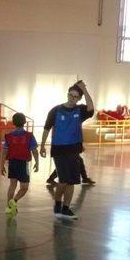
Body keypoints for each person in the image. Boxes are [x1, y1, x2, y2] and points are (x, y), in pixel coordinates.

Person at [39, 80, 94, 220]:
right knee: (63, 180)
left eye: (76, 97)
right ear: (67, 94)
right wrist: (42, 145)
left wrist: (84, 90)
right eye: (70, 95)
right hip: (59, 150)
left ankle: (66, 208)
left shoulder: (80, 110)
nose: (72, 98)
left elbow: (91, 108)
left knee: (72, 181)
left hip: (74, 149)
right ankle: (57, 203)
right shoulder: (56, 110)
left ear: (79, 98)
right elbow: (47, 128)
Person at [1, 112, 39, 217]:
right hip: (23, 163)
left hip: (12, 163)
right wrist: (37, 162)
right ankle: (14, 201)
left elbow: (4, 152)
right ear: (24, 122)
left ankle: (9, 207)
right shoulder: (29, 136)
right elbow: (34, 150)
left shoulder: (8, 136)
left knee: (12, 185)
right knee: (24, 187)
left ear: (13, 122)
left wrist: (1, 165)